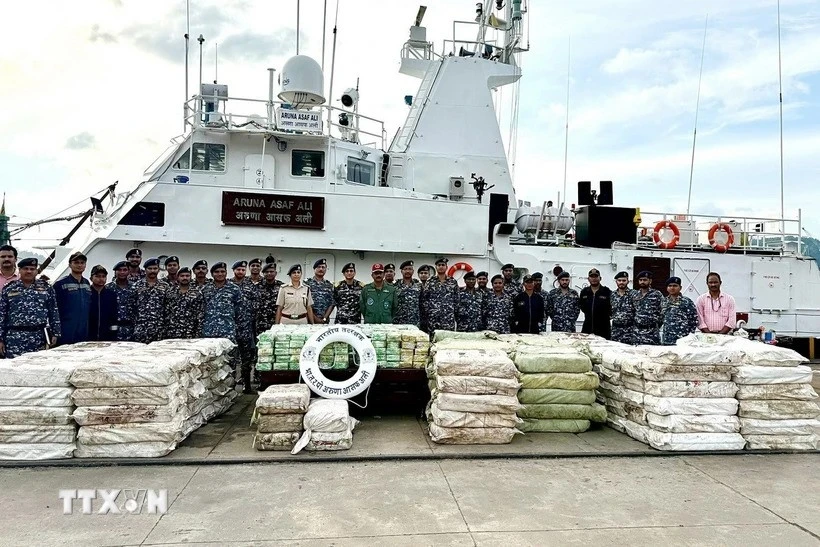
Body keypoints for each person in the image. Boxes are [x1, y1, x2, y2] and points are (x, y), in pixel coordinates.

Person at [0, 257, 60, 358]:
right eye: (26, 268)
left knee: (37, 368)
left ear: (36, 271)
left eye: (32, 269)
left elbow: (53, 311)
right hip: (14, 338)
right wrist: (0, 339)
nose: (29, 271)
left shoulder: (46, 288)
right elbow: (1, 314)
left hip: (38, 337)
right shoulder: (9, 288)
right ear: (19, 270)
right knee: (13, 369)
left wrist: (55, 333)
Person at [230, 260, 260, 390]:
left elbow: (257, 302)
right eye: (238, 270)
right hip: (230, 326)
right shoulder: (228, 285)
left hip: (246, 326)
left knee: (246, 358)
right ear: (234, 270)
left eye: (243, 270)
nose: (240, 272)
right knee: (230, 357)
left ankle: (247, 385)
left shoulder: (250, 285)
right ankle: (229, 386)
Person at [53, 251, 91, 345]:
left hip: (83, 330)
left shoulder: (86, 284)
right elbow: (54, 309)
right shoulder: (61, 284)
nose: (79, 265)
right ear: (70, 265)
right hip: (66, 330)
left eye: (82, 263)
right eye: (76, 262)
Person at [132, 258, 170, 344]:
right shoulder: (136, 286)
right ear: (145, 270)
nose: (152, 271)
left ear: (158, 270)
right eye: (150, 269)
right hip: (141, 328)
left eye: (155, 268)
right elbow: (132, 307)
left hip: (159, 329)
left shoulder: (165, 286)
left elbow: (167, 308)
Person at [200, 262, 242, 341]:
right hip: (209, 332)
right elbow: (201, 311)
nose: (220, 274)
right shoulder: (205, 289)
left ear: (226, 273)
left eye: (222, 272)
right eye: (217, 272)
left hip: (228, 331)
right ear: (212, 274)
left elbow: (239, 311)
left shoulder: (234, 289)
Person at [164, 267, 204, 339]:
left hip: (190, 332)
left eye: (187, 276)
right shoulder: (170, 292)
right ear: (178, 277)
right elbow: (166, 312)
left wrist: (198, 333)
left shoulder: (197, 293)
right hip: (172, 332)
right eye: (182, 276)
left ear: (191, 277)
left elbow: (200, 315)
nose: (185, 278)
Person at [421, 258, 458, 333]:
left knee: (448, 340)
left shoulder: (453, 281)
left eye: (443, 265)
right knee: (432, 340)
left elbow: (457, 299)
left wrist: (453, 312)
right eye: (439, 265)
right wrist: (429, 312)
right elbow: (424, 299)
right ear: (436, 267)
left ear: (446, 267)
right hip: (433, 318)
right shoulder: (430, 281)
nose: (441, 267)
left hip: (448, 318)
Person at [662, 276, 699, 345]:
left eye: (675, 286)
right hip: (667, 338)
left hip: (683, 339)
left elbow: (693, 320)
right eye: (670, 286)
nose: (672, 288)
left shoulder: (686, 302)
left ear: (680, 288)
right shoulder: (663, 301)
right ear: (667, 288)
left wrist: (689, 336)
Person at [106, 261, 135, 341]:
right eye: (119, 270)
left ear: (129, 272)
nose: (122, 272)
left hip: (131, 328)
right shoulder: (108, 288)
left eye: (125, 270)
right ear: (115, 272)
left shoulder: (135, 287)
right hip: (113, 328)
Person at [632, 270, 664, 345]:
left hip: (651, 332)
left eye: (645, 280)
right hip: (637, 332)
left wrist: (656, 325)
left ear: (650, 281)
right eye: (640, 280)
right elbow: (633, 310)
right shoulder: (635, 295)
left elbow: (663, 311)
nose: (642, 282)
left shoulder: (657, 294)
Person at [579, 268, 612, 338]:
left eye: (596, 276)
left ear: (600, 278)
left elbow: (611, 308)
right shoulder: (584, 292)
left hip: (603, 329)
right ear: (588, 279)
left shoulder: (607, 292)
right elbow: (582, 306)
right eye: (591, 276)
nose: (594, 279)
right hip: (587, 327)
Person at [88, 265, 118, 341]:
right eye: (97, 276)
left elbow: (114, 316)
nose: (101, 279)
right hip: (88, 335)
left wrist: (114, 335)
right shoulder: (86, 293)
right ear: (91, 278)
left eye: (103, 276)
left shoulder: (111, 294)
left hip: (107, 336)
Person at [256, 262, 283, 333]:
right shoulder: (257, 286)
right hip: (261, 323)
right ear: (263, 274)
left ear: (276, 273)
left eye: (271, 271)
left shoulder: (282, 286)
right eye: (266, 272)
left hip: (277, 322)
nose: (269, 274)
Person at [305, 258, 335, 324]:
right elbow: (304, 303)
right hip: (309, 320)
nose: (321, 269)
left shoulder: (329, 285)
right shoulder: (306, 283)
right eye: (318, 267)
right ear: (314, 269)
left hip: (324, 321)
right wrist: (314, 318)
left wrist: (324, 318)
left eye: (323, 267)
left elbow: (332, 304)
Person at [610, 271, 636, 345]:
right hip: (615, 330)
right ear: (616, 282)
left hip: (629, 330)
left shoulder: (634, 294)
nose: (621, 282)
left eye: (624, 280)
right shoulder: (612, 295)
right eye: (619, 280)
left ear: (628, 281)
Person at [394, 260, 422, 327]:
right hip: (399, 322)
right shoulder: (395, 286)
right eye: (405, 269)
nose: (407, 271)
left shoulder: (419, 286)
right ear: (401, 271)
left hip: (414, 322)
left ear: (413, 271)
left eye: (410, 269)